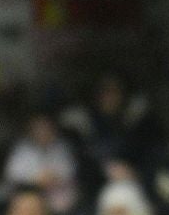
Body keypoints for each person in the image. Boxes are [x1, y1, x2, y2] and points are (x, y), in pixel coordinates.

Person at [60, 70, 162, 200]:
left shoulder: (141, 123)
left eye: (114, 91)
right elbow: (78, 163)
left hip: (136, 187)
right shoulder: (81, 124)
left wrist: (136, 172)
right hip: (97, 192)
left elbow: (153, 156)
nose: (109, 97)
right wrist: (105, 170)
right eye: (104, 92)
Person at [3, 111, 80, 215]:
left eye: (46, 128)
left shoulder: (62, 147)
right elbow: (13, 175)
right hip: (29, 192)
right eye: (39, 129)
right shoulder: (22, 149)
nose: (43, 132)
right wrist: (35, 179)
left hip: (57, 193)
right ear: (31, 130)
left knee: (65, 199)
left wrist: (53, 178)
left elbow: (70, 171)